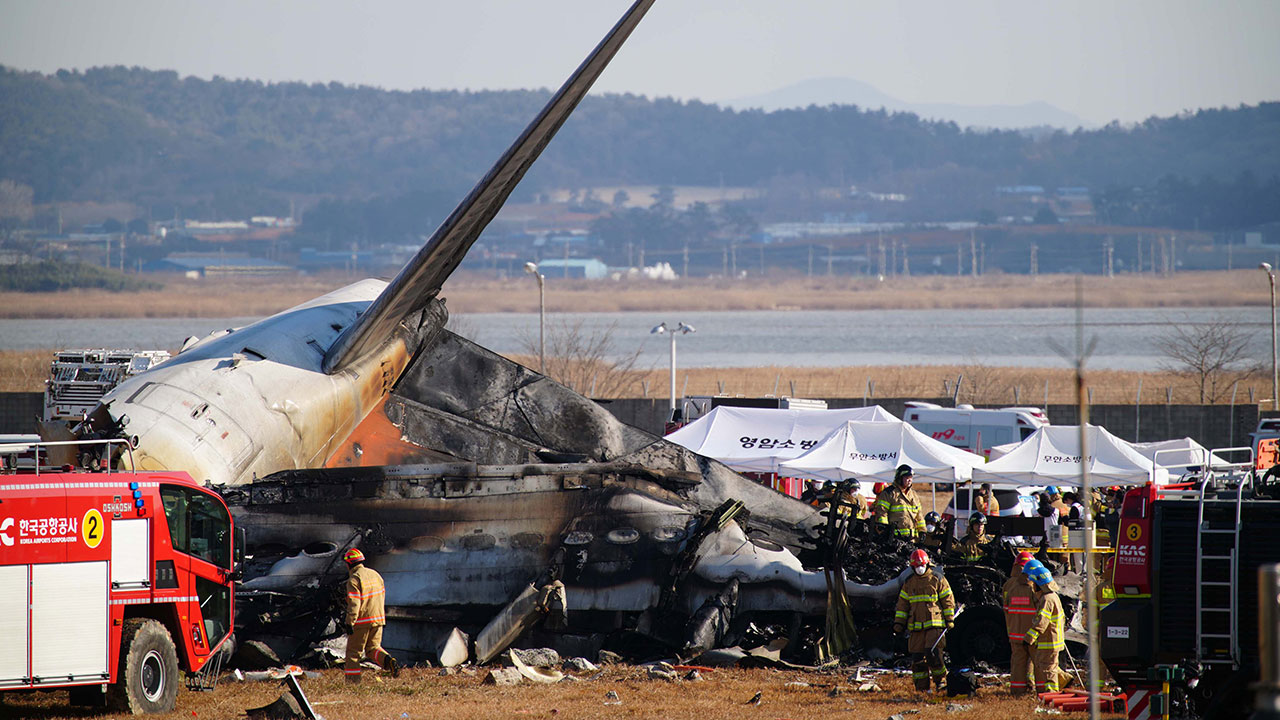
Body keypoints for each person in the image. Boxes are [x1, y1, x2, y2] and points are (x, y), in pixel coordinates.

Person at [893, 549, 955, 693]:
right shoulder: (909, 583)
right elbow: (903, 605)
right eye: (916, 566)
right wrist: (899, 622)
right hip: (916, 627)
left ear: (927, 564)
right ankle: (922, 689)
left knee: (933, 654)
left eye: (921, 565)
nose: (919, 568)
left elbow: (947, 600)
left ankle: (941, 682)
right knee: (917, 658)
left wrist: (949, 619)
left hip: (935, 624)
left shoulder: (937, 579)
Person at [342, 548, 400, 683]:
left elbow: (354, 603)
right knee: (373, 648)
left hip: (362, 621)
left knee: (353, 653)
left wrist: (350, 622)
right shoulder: (375, 575)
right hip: (378, 619)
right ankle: (388, 660)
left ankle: (352, 683)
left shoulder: (354, 579)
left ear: (349, 564)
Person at [1024, 563, 1072, 693]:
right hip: (1054, 640)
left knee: (1048, 669)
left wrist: (1029, 638)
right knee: (1051, 666)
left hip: (1049, 641)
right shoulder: (1053, 597)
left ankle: (1051, 694)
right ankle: (1064, 680)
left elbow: (1041, 622)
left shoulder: (1046, 600)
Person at [1002, 551, 1038, 694]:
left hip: (1014, 630)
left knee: (1018, 662)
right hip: (1032, 631)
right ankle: (1034, 686)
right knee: (1036, 661)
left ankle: (1017, 690)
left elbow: (1006, 608)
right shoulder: (1034, 584)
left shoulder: (1008, 585)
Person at [873, 464, 926, 539]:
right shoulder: (889, 493)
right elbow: (882, 512)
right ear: (899, 478)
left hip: (912, 538)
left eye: (911, 477)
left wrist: (922, 531)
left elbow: (919, 514)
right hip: (894, 537)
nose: (910, 480)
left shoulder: (913, 494)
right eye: (907, 477)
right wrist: (883, 528)